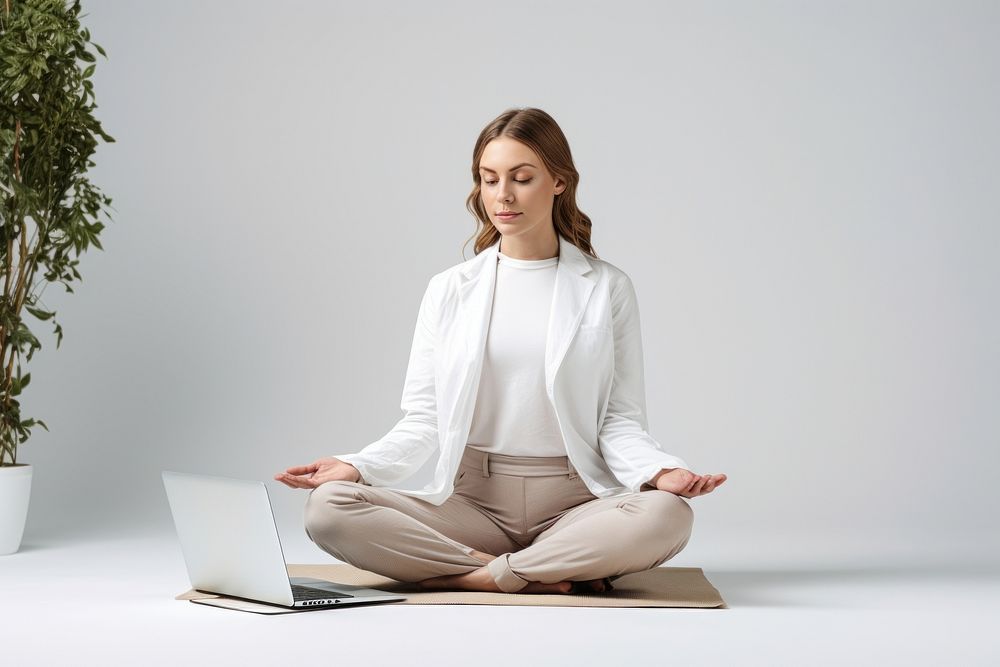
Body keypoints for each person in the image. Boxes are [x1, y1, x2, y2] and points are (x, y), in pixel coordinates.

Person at [276, 107, 727, 595]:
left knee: (667, 515)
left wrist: (661, 472)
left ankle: (482, 576)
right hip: (472, 505)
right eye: (489, 180)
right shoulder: (449, 289)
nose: (503, 195)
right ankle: (529, 573)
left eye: (522, 178)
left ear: (559, 181)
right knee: (329, 506)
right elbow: (426, 417)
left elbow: (618, 418)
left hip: (575, 505)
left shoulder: (606, 287)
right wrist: (357, 466)